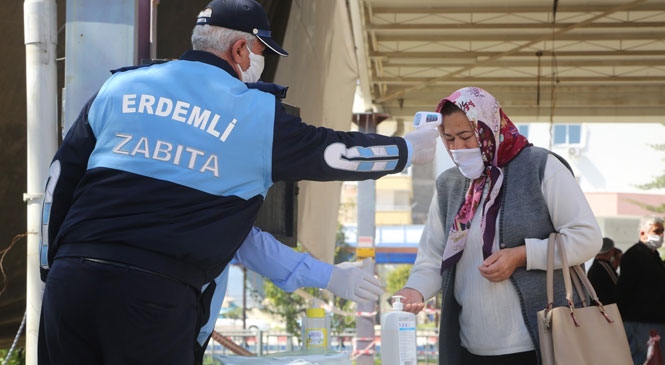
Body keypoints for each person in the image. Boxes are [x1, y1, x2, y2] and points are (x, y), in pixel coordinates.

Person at [36, 0, 439, 363]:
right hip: (153, 299)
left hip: (70, 284)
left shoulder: (119, 86)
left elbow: (59, 181)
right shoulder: (253, 115)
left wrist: (48, 268)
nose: (261, 61)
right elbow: (335, 152)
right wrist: (407, 149)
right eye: (262, 51)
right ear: (241, 50)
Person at [392, 86, 602, 365]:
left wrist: (522, 255)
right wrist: (414, 290)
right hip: (470, 348)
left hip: (539, 344)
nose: (458, 148)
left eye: (467, 137)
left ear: (489, 128)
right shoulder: (450, 185)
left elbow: (587, 237)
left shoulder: (540, 166)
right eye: (449, 138)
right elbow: (433, 256)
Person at [193, 226, 381, 363]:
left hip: (190, 327)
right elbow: (245, 241)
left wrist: (328, 274)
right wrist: (327, 275)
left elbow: (243, 239)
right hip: (177, 323)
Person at [616, 215, 665, 365]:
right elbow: (624, 290)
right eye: (657, 231)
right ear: (643, 233)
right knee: (643, 360)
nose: (661, 235)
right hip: (639, 322)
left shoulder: (655, 256)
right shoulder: (634, 255)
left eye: (662, 231)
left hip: (655, 321)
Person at [586, 237, 620, 304]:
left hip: (597, 304)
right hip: (606, 306)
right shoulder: (604, 265)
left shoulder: (596, 265)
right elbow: (617, 285)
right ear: (612, 250)